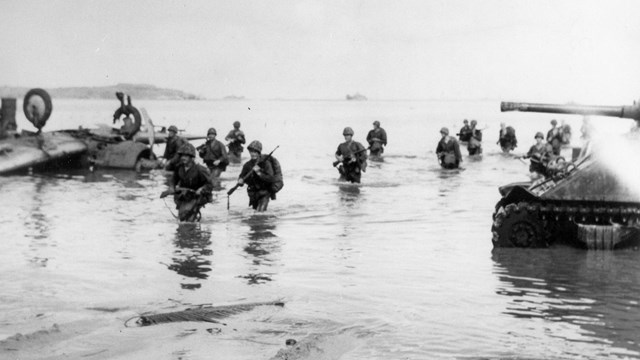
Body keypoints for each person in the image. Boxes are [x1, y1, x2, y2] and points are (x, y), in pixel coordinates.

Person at [160, 143, 214, 221]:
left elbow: (210, 184)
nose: (183, 158)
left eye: (186, 156)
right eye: (182, 155)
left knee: (187, 218)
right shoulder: (179, 167)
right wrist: (171, 188)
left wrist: (201, 189)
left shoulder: (199, 169)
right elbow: (173, 179)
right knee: (182, 217)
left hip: (196, 196)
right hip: (184, 195)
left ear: (191, 157)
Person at [236, 140, 277, 211]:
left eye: (255, 152)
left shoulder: (266, 164)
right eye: (251, 152)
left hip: (264, 192)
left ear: (259, 153)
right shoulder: (247, 165)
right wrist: (240, 181)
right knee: (255, 214)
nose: (253, 154)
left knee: (260, 213)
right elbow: (242, 176)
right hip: (253, 194)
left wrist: (259, 172)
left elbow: (270, 179)